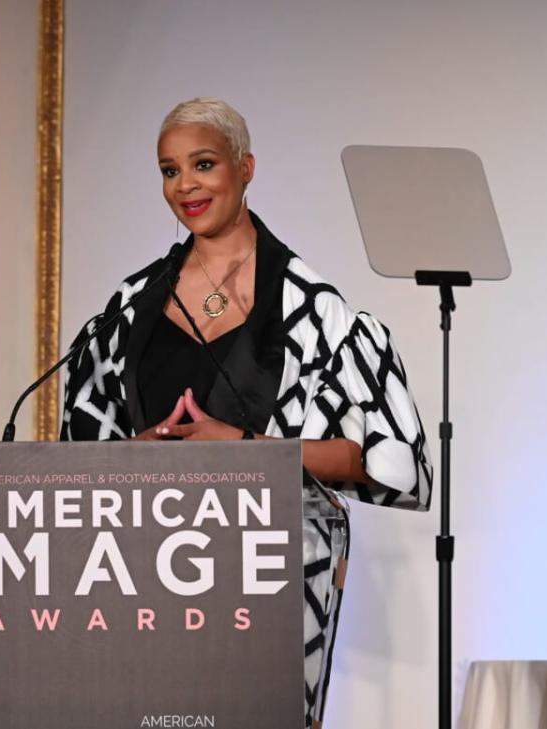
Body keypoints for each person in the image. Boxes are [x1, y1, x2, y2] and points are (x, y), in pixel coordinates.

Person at [60, 97, 432, 727]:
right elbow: (82, 454)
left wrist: (243, 444)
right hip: (147, 569)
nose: (186, 186)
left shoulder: (313, 310)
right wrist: (139, 448)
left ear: (246, 166)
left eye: (203, 163)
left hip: (272, 574)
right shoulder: (129, 307)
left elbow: (382, 461)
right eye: (169, 170)